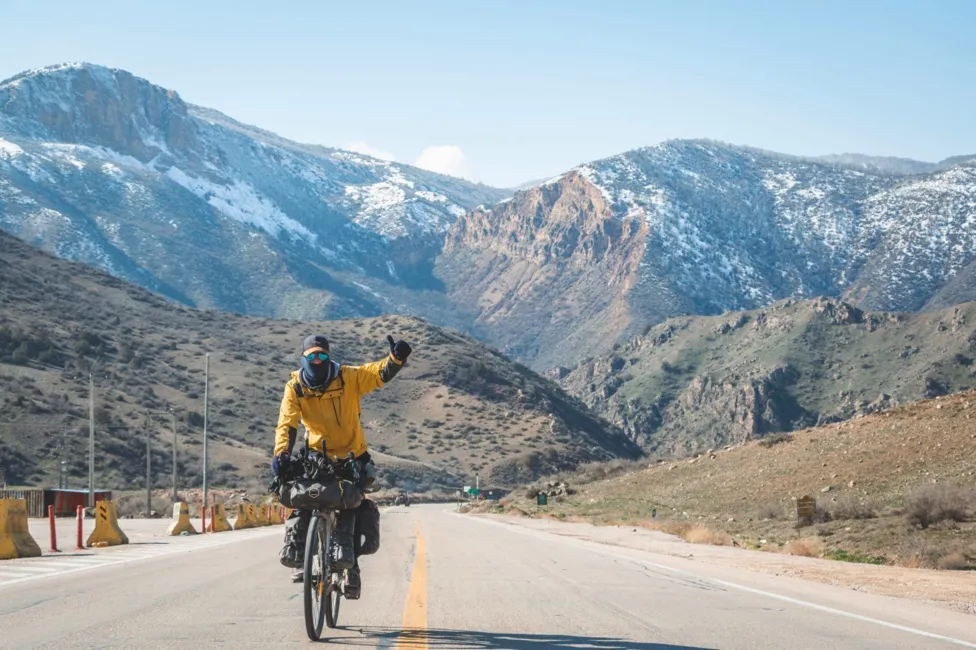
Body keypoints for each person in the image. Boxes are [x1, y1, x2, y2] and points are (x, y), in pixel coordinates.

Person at [272, 333, 412, 598]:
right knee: (304, 497)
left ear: (329, 356)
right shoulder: (295, 388)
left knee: (353, 504)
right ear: (303, 358)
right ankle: (302, 555)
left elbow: (377, 374)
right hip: (316, 455)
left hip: (352, 455)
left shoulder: (348, 377)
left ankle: (352, 567)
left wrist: (396, 359)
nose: (317, 360)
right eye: (311, 356)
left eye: (321, 355)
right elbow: (287, 423)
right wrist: (282, 453)